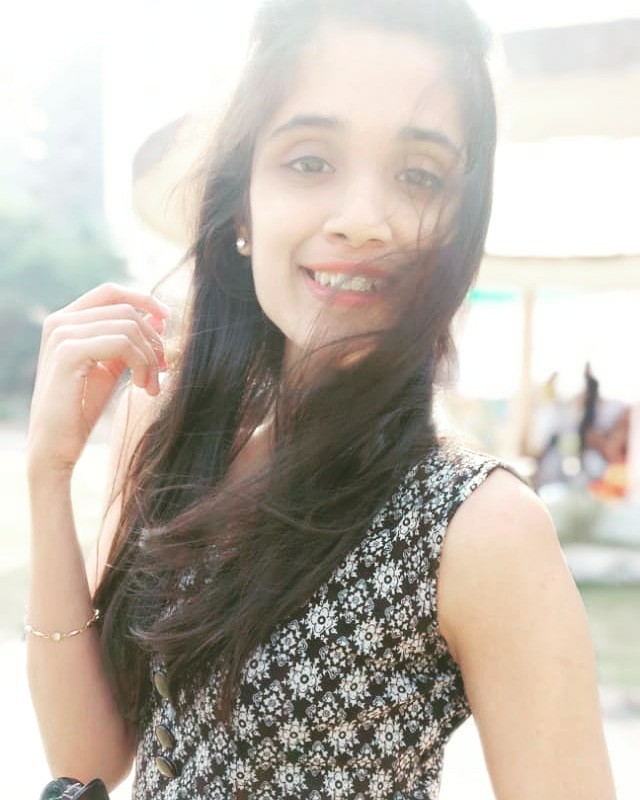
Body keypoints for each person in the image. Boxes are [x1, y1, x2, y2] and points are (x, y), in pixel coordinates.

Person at [26, 1, 616, 798]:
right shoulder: (172, 428)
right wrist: (48, 475)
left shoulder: (478, 528)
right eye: (310, 161)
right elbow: (90, 756)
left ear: (458, 226)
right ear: (242, 205)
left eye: (419, 176)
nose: (364, 221)